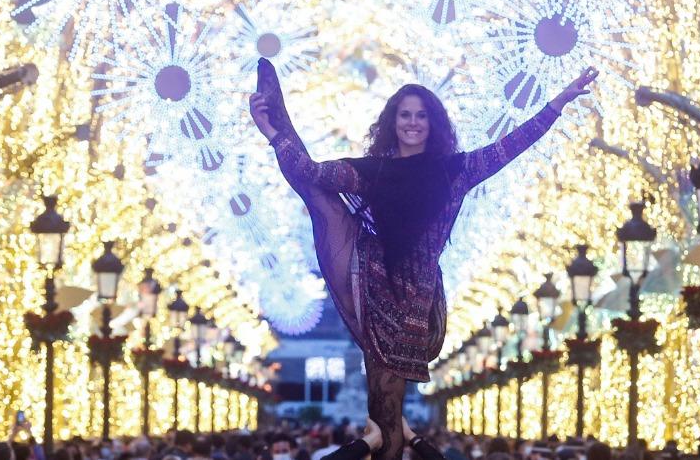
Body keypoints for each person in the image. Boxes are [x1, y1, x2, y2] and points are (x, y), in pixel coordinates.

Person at [250, 58, 596, 459]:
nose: (412, 122)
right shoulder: (373, 171)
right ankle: (391, 439)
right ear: (392, 122)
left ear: (433, 123)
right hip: (372, 278)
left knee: (387, 407)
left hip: (417, 300)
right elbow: (309, 172)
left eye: (421, 115)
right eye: (404, 115)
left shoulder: (456, 170)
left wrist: (557, 103)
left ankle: (390, 439)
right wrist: (272, 131)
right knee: (318, 197)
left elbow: (510, 146)